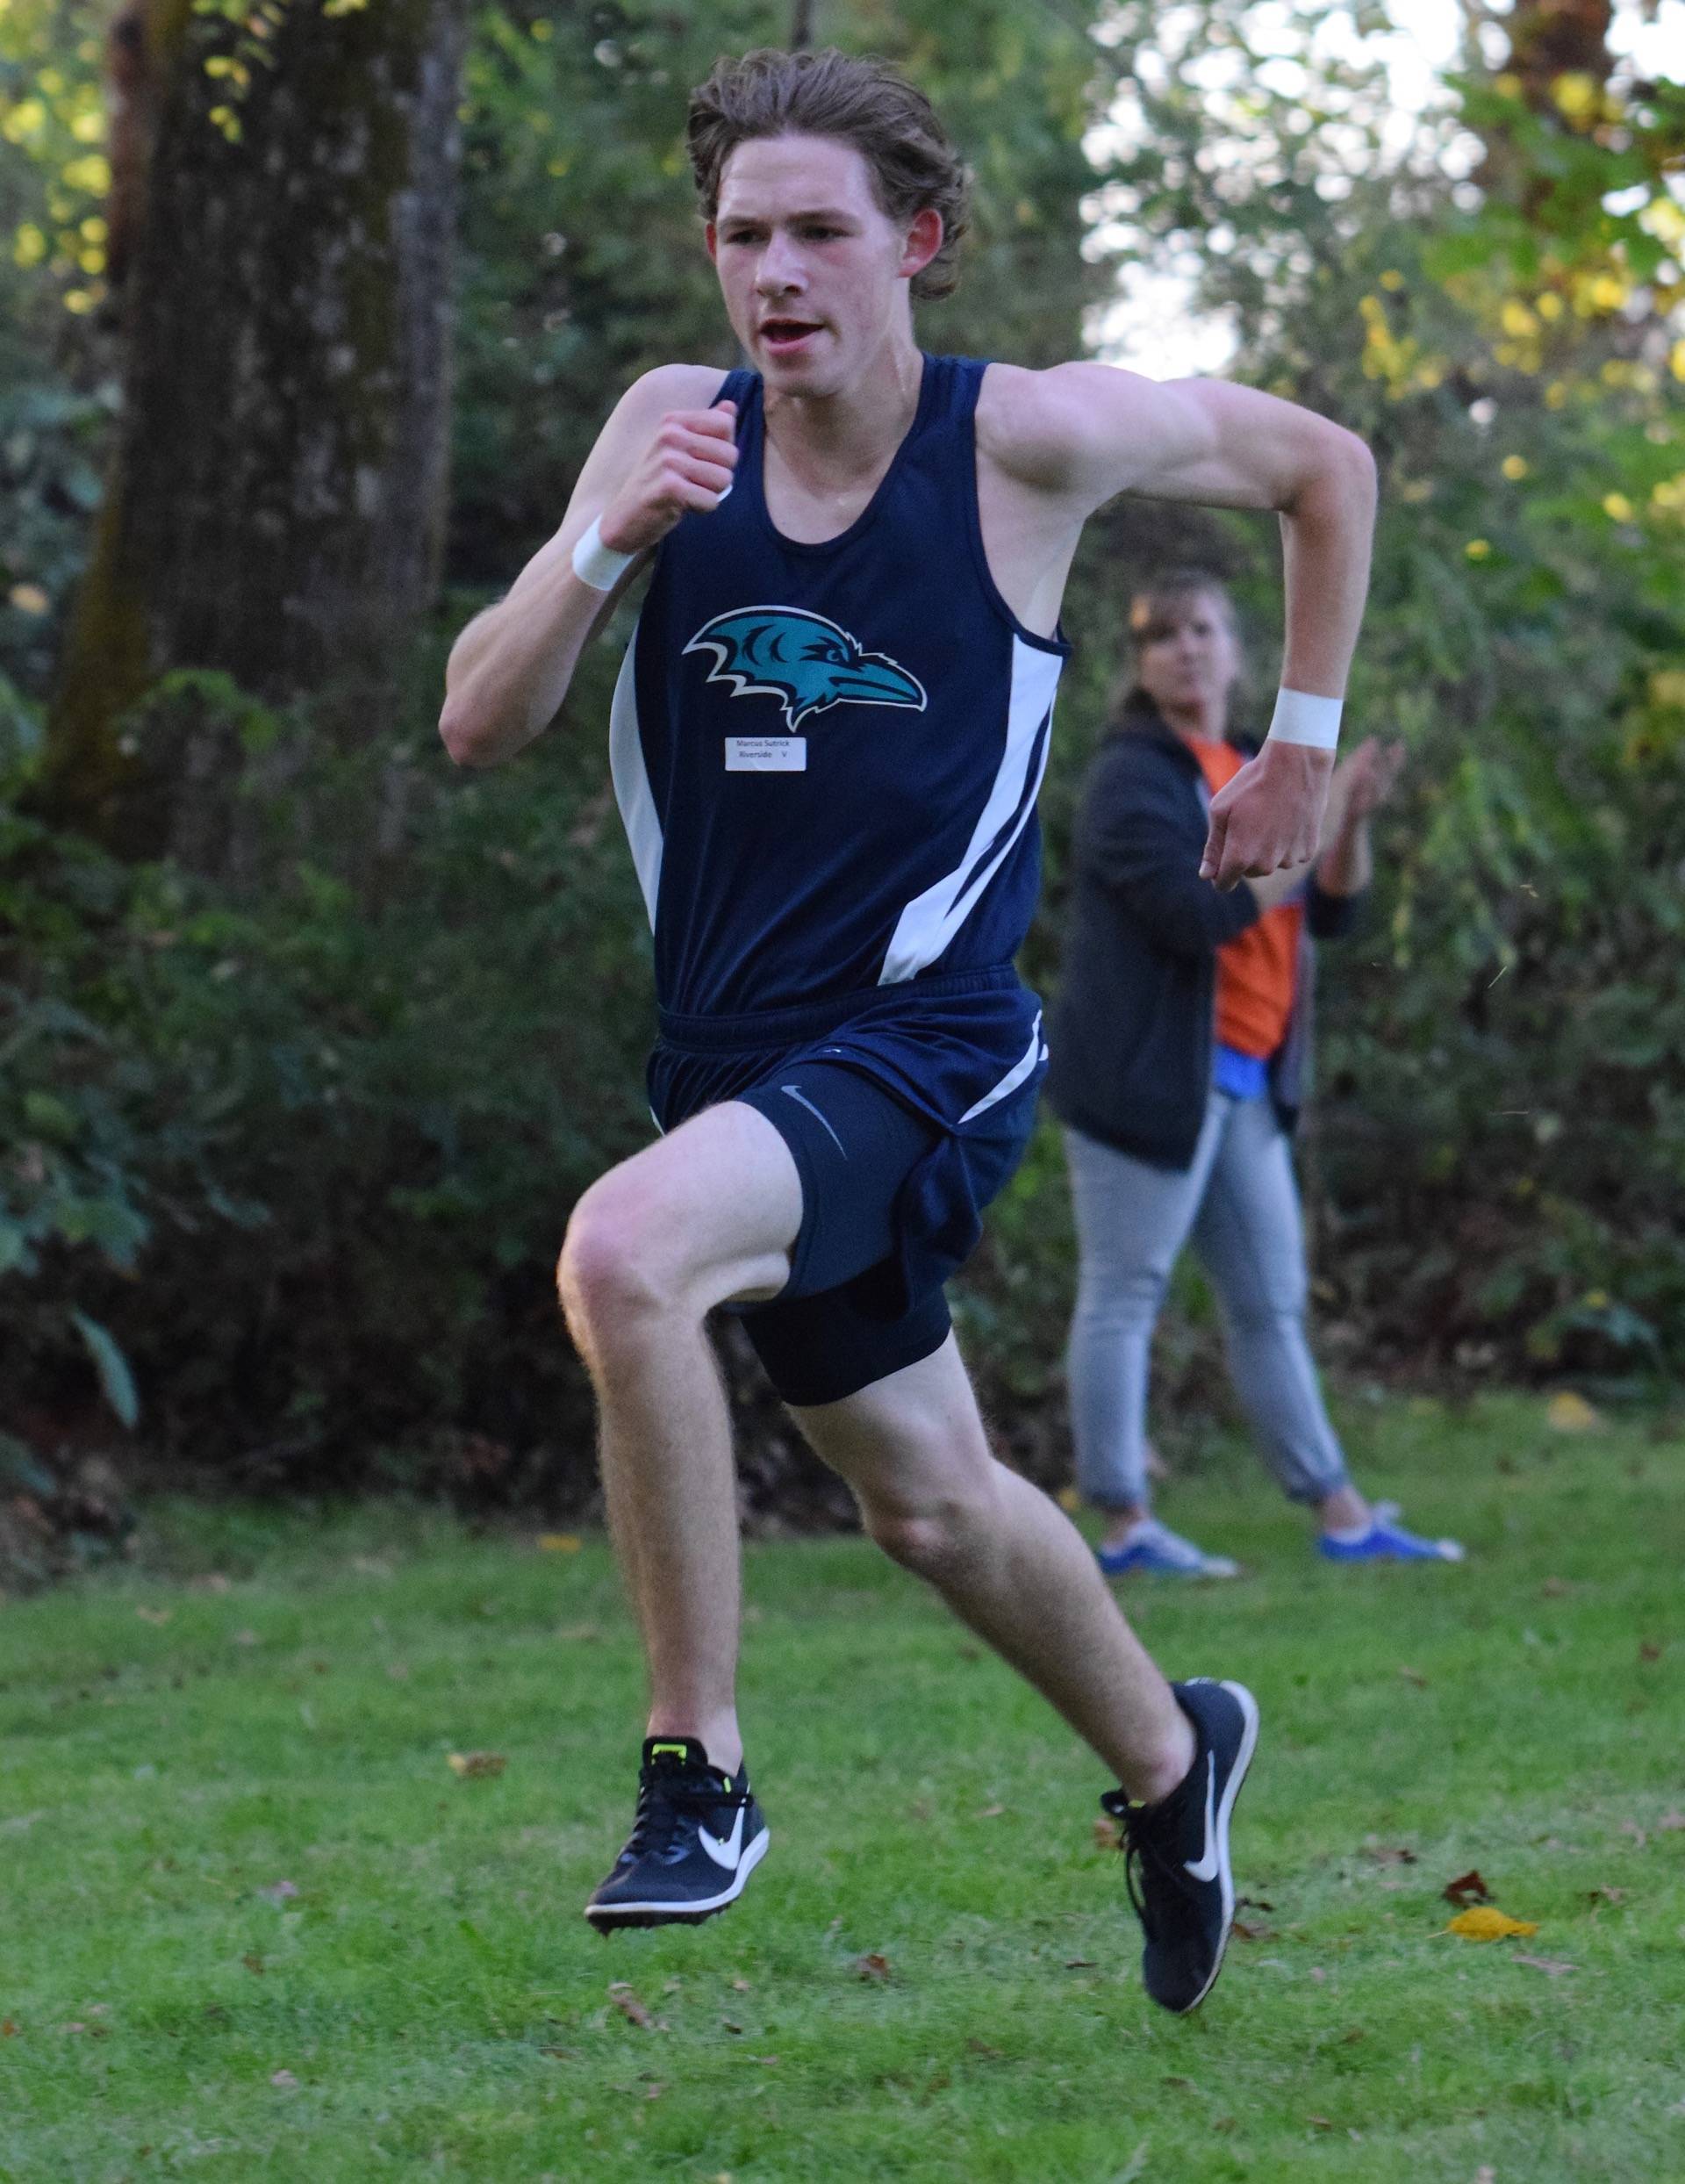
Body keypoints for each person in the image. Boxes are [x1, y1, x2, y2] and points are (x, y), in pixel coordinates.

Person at [438, 47, 1377, 2016]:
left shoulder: (1024, 441)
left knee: (624, 1253)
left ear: (917, 245)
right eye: (740, 235)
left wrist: (1294, 749)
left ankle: (697, 1772)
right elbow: (478, 722)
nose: (772, 271)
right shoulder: (663, 431)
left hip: (927, 1040)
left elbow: (1324, 467)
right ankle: (1173, 1755)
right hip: (729, 1063)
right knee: (930, 1499)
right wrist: (601, 537)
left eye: (818, 233)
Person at [1046, 571, 1463, 1578]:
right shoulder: (1131, 778)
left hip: (1243, 1080)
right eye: (1160, 635)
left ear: (1237, 650)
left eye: (1202, 629)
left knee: (1271, 1301)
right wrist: (1303, 832)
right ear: (1140, 667)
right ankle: (1123, 1525)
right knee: (1124, 1293)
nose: (1184, 649)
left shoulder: (1250, 765)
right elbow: (1196, 912)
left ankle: (1343, 1513)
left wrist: (1346, 822)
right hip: (1147, 1086)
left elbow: (1331, 914)